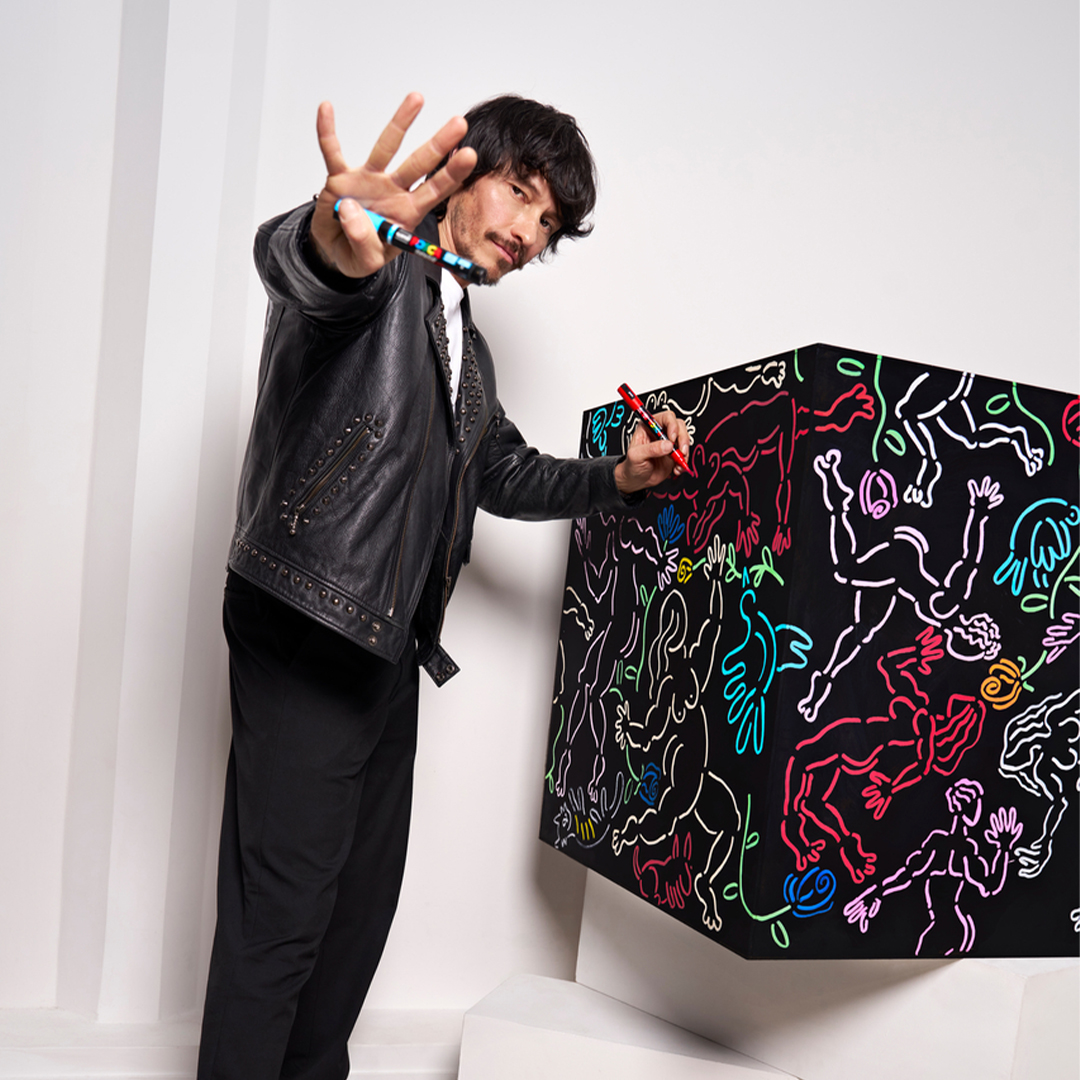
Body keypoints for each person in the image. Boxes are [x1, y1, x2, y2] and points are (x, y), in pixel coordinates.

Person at [196, 92, 690, 1080]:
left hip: (388, 641)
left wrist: (621, 478)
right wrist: (333, 230)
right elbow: (299, 265)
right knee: (281, 912)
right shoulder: (376, 273)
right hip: (308, 620)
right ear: (466, 171)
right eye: (520, 192)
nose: (528, 230)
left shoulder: (466, 344)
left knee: (354, 915)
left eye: (548, 221)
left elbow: (504, 471)